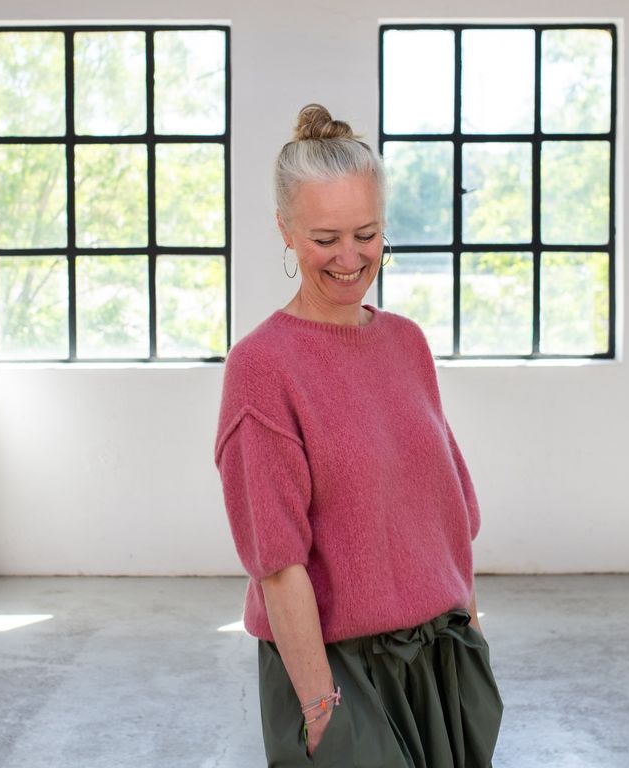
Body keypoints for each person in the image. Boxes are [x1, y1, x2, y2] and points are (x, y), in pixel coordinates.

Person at [214, 103, 503, 767]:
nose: (350, 258)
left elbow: (447, 517)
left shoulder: (406, 343)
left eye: (366, 234)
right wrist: (321, 712)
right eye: (325, 239)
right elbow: (278, 562)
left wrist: (474, 644)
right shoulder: (261, 368)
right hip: (338, 676)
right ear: (285, 230)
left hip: (441, 659)